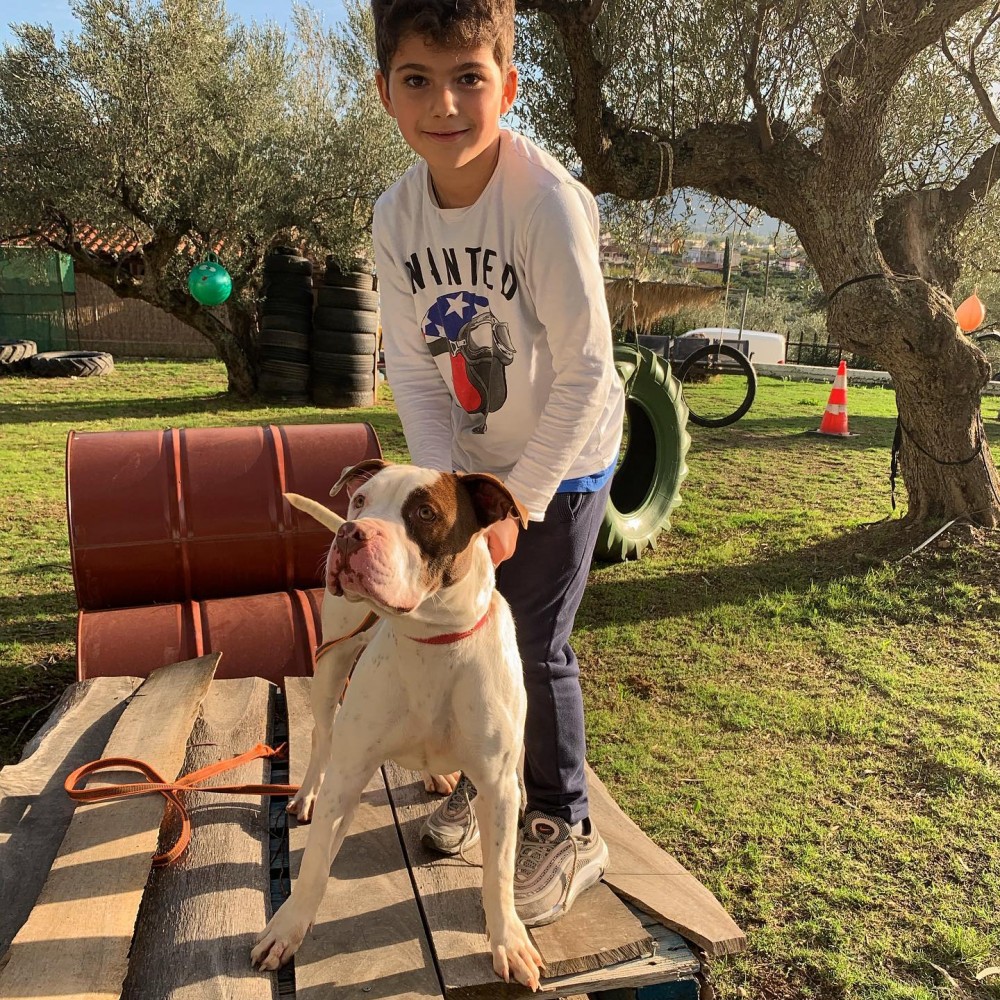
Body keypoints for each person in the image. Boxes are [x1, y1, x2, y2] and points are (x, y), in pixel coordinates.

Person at [370, 0, 625, 928]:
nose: (444, 104)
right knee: (466, 625)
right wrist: (447, 498)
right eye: (418, 79)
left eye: (468, 78)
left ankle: (565, 821)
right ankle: (490, 787)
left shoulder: (544, 202)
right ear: (386, 93)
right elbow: (413, 371)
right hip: (475, 462)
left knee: (532, 640)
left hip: (569, 456)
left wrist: (519, 503)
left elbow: (588, 370)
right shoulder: (396, 216)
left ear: (507, 86)